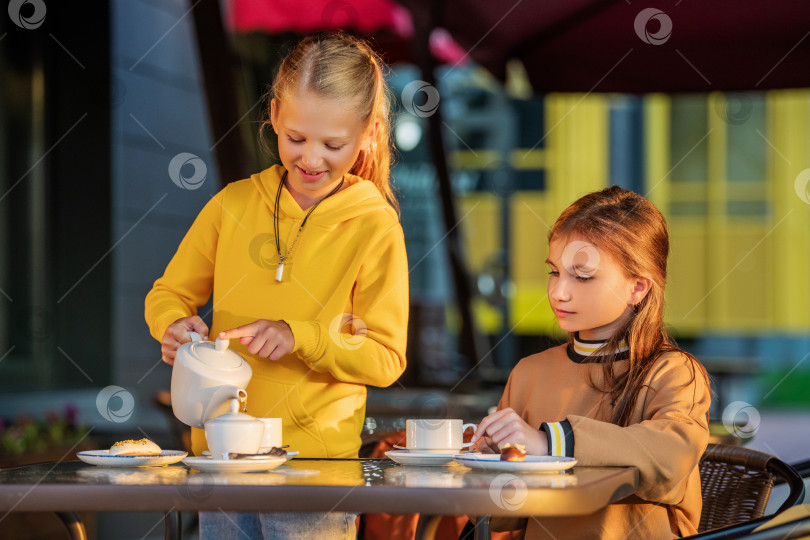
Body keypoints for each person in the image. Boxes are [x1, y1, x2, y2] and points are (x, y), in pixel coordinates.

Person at [144, 32, 408, 539]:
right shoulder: (232, 205)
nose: (310, 159)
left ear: (369, 133)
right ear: (273, 117)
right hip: (222, 464)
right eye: (295, 138)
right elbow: (168, 292)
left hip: (316, 472)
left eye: (333, 145)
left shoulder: (376, 226)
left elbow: (385, 356)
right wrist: (172, 324)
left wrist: (301, 336)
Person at [471, 186, 711, 539]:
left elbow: (669, 457)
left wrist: (549, 444)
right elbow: (506, 520)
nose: (558, 292)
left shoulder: (674, 373)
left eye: (581, 276)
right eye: (554, 272)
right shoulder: (529, 372)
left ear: (638, 288)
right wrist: (491, 462)